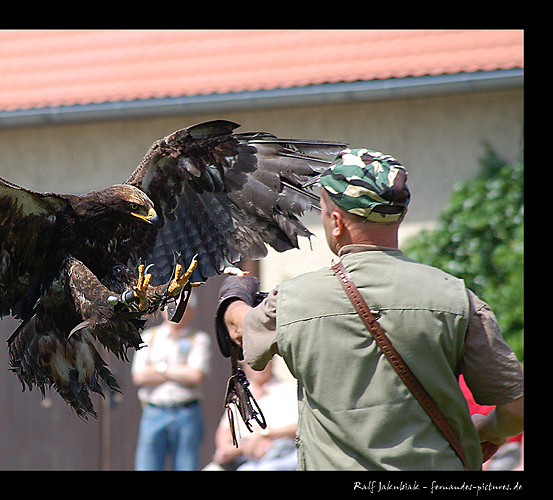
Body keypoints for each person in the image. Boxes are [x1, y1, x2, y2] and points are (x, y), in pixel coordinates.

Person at [215, 148, 524, 470]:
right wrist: (488, 430)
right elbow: (517, 410)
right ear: (401, 214)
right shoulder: (457, 297)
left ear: (335, 222)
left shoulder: (295, 298)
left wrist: (234, 293)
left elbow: (240, 329)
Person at [131, 297, 212, 470]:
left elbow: (196, 375)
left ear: (191, 312)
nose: (174, 312)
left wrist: (159, 368)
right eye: (169, 307)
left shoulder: (199, 339)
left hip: (187, 413)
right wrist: (178, 371)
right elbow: (139, 376)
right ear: (161, 310)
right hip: (154, 411)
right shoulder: (148, 337)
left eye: (182, 307)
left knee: (186, 466)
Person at [205, 359, 298, 471]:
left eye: (263, 362)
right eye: (251, 363)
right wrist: (227, 449)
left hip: (275, 453)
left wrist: (266, 434)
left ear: (271, 363)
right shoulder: (239, 393)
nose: (258, 368)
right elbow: (224, 429)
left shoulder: (286, 391)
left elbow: (297, 427)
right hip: (239, 453)